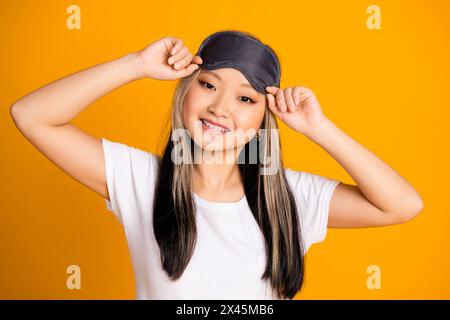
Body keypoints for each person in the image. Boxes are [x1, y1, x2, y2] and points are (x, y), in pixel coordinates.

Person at [10, 30, 424, 300]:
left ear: (265, 118)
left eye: (245, 98)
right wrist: (136, 64)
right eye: (208, 85)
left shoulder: (292, 196)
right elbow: (31, 115)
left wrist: (319, 128)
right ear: (185, 90)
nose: (220, 107)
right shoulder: (141, 179)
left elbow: (402, 205)